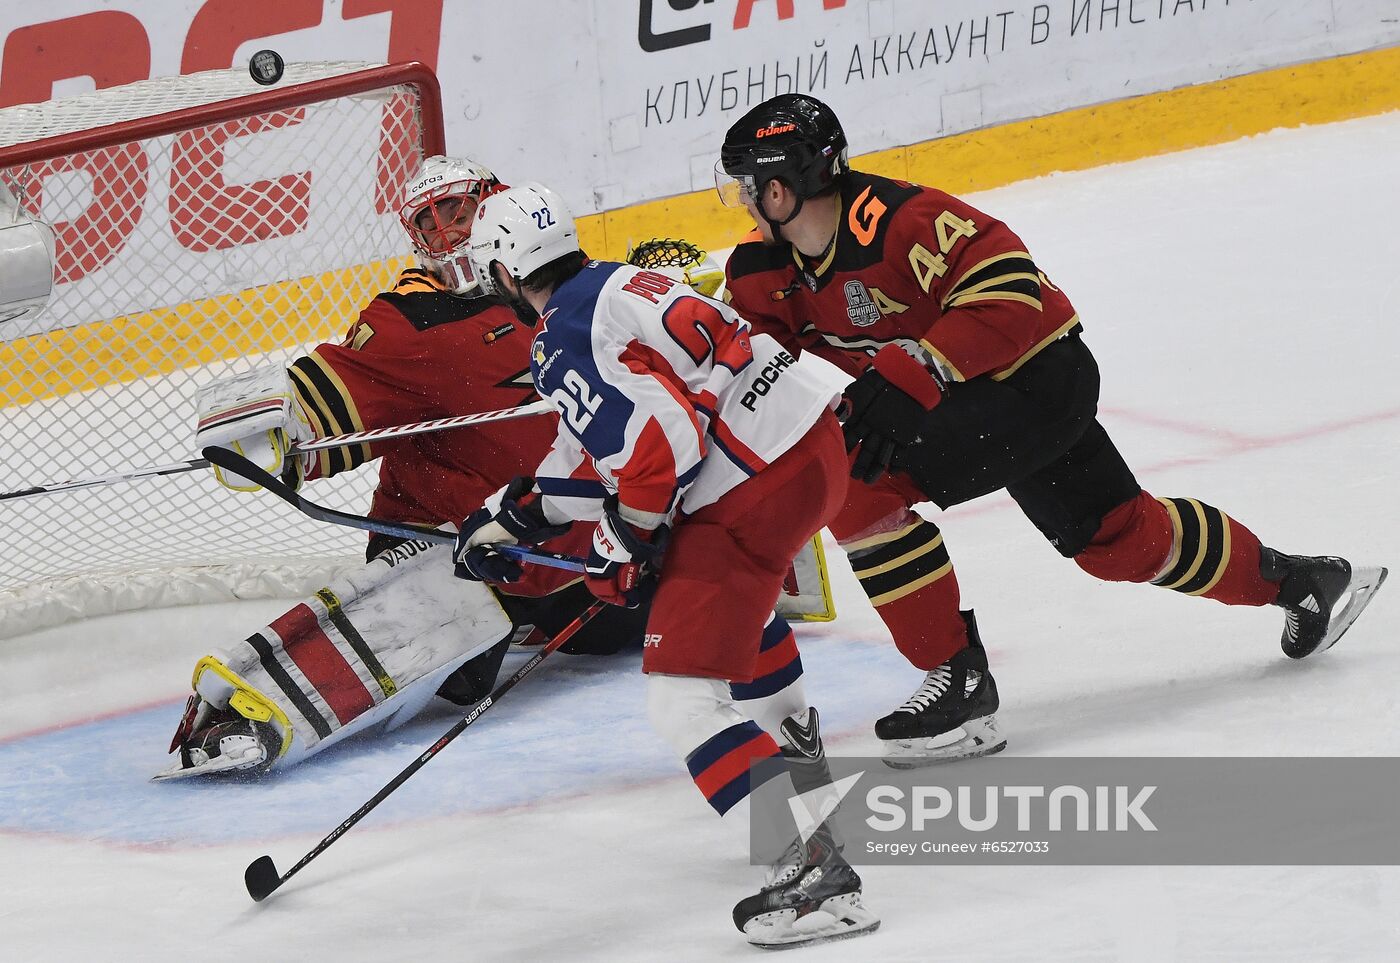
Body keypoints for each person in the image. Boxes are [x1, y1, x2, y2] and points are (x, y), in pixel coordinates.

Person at [716, 93, 1388, 766]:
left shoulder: (899, 221)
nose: (743, 203)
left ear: (781, 186)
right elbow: (748, 361)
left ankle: (960, 684)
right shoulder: (760, 269)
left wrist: (918, 369)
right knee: (1117, 539)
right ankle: (1301, 582)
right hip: (971, 399)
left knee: (861, 481)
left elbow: (1010, 287)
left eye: (748, 187)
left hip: (1039, 380)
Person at [453, 182, 879, 947]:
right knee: (734, 619)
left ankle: (812, 867)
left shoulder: (559, 337)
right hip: (811, 448)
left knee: (681, 699)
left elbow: (657, 449)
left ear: (504, 273)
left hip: (754, 485)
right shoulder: (617, 283)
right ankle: (797, 772)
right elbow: (606, 442)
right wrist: (516, 511)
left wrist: (625, 543)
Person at [158, 155, 647, 779]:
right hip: (462, 554)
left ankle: (792, 810)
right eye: (429, 222)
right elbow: (331, 394)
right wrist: (275, 427)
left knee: (635, 633)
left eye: (458, 212)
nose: (448, 236)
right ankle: (254, 712)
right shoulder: (412, 321)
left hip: (574, 547)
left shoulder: (557, 287)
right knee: (458, 677)